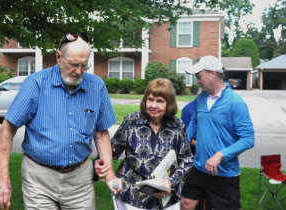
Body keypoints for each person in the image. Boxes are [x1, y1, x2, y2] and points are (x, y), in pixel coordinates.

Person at [0, 33, 121, 210]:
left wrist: (110, 174)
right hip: (38, 178)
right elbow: (7, 129)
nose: (79, 71)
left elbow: (101, 133)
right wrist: (2, 179)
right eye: (74, 64)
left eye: (84, 65)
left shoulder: (97, 86)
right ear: (59, 57)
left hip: (80, 179)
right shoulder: (35, 84)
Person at [96, 78, 193, 210]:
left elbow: (186, 160)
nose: (153, 105)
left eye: (159, 101)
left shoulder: (177, 125)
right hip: (131, 196)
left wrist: (171, 182)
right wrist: (103, 169)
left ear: (169, 103)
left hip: (165, 197)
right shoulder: (132, 121)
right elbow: (111, 151)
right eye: (150, 99)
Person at [180, 55, 254, 210]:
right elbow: (194, 122)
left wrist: (220, 155)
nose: (197, 81)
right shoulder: (201, 98)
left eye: (199, 77)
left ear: (212, 74)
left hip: (224, 173)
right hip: (199, 167)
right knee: (186, 203)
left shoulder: (236, 103)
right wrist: (182, 143)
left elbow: (248, 139)